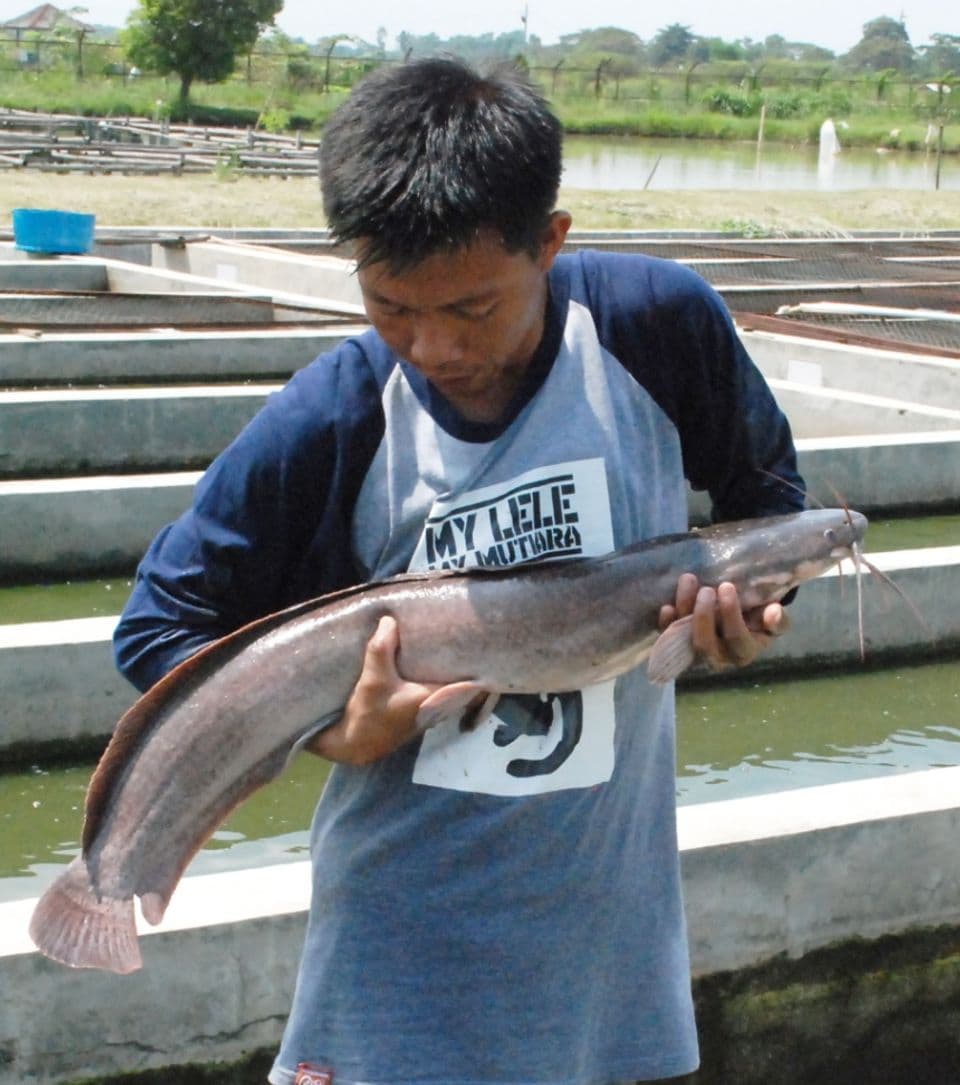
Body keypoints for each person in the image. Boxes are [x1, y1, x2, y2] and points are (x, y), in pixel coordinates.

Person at [113, 57, 803, 1085]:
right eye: (390, 306)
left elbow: (772, 507)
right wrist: (335, 728)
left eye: (473, 308)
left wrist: (753, 612)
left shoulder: (655, 329)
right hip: (398, 961)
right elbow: (159, 623)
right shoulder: (338, 414)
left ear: (550, 242)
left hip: (609, 949)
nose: (431, 345)